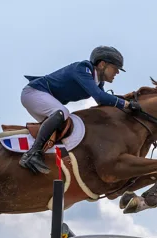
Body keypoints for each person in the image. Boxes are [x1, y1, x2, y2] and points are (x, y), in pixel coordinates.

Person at [18, 46, 141, 175]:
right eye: (115, 68)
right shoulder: (83, 68)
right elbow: (101, 97)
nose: (117, 72)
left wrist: (126, 103)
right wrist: (126, 104)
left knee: (63, 128)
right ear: (102, 64)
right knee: (63, 113)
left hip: (42, 98)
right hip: (34, 92)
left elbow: (102, 101)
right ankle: (32, 154)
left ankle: (47, 159)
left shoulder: (98, 82)